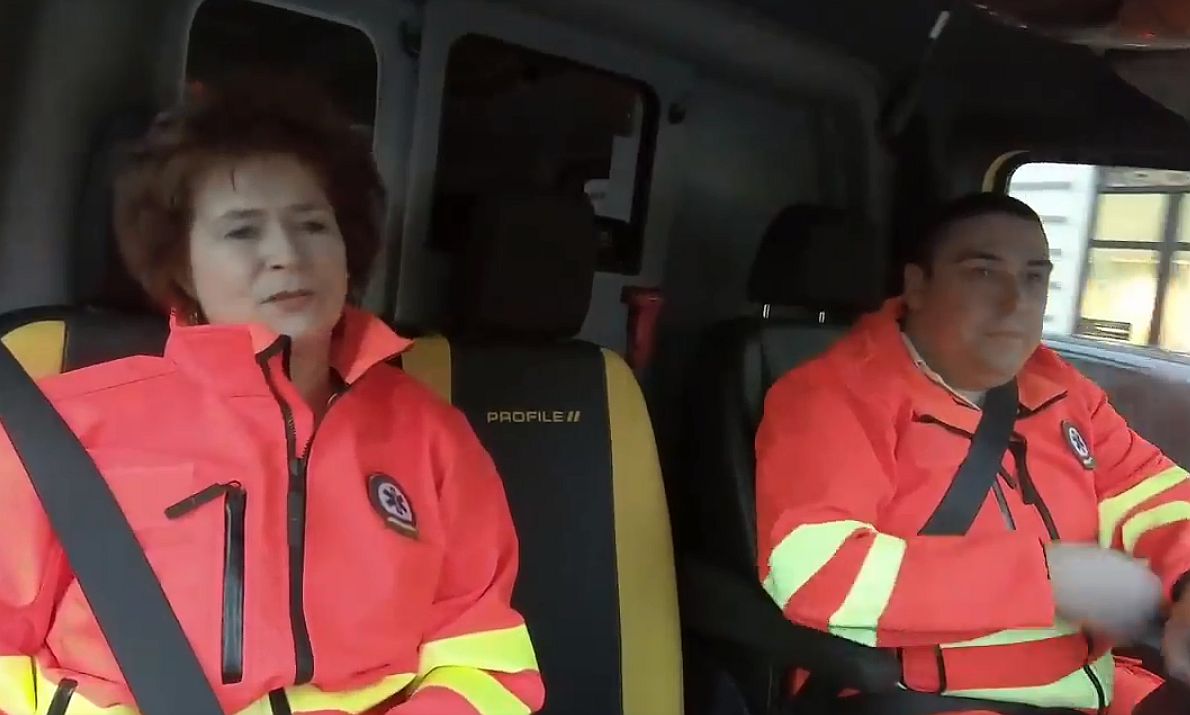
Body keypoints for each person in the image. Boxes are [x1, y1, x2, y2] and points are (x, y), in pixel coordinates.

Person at [0, 75, 543, 715]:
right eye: (241, 232)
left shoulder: (434, 437)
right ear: (182, 268)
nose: (287, 254)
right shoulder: (56, 433)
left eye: (312, 225)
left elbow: (484, 664)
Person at [755, 193, 1190, 714]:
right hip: (922, 697)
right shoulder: (835, 397)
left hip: (1092, 686)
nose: (1015, 301)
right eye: (983, 273)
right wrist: (1049, 579)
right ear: (918, 286)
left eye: (1034, 278)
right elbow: (814, 570)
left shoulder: (1062, 390)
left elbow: (1152, 495)